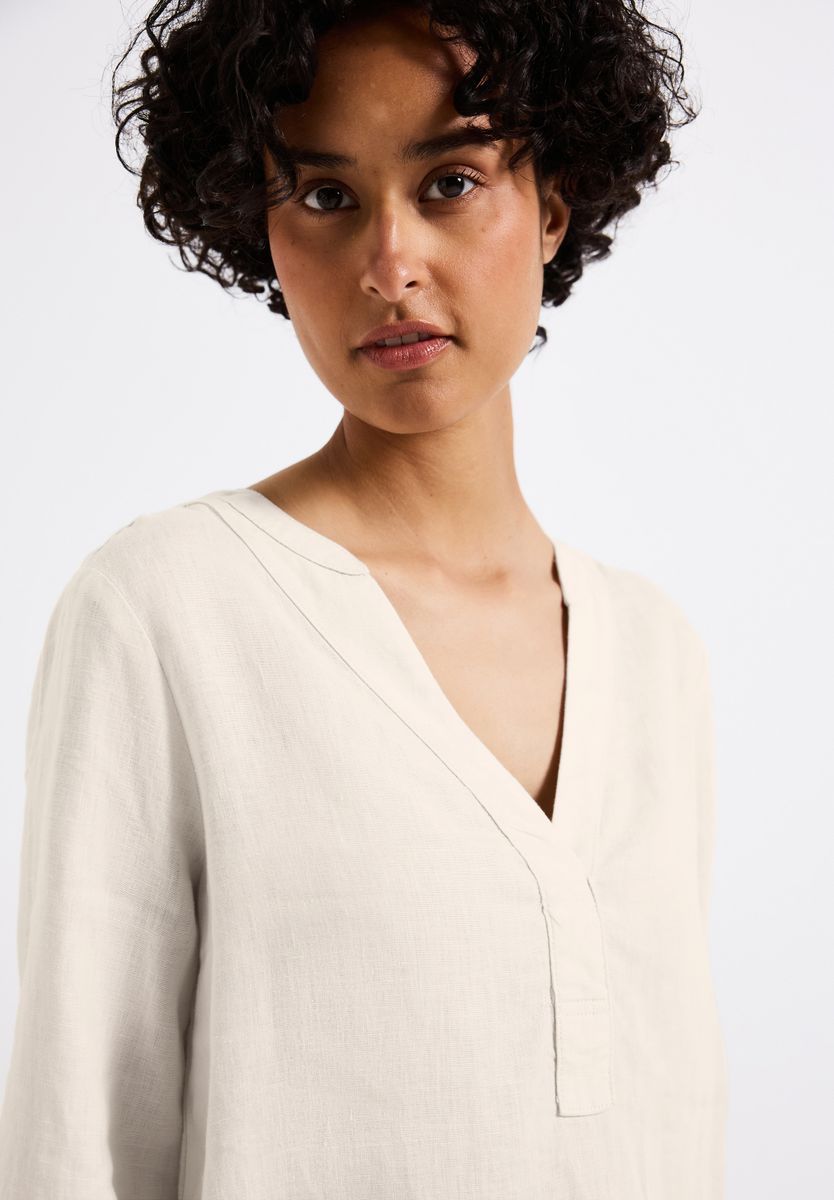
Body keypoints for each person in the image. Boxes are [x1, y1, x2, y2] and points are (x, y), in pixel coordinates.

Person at [0, 1, 728, 1197]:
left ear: (552, 202)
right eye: (327, 196)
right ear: (261, 226)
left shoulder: (656, 655)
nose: (391, 266)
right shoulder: (167, 611)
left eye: (451, 182)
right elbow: (77, 1138)